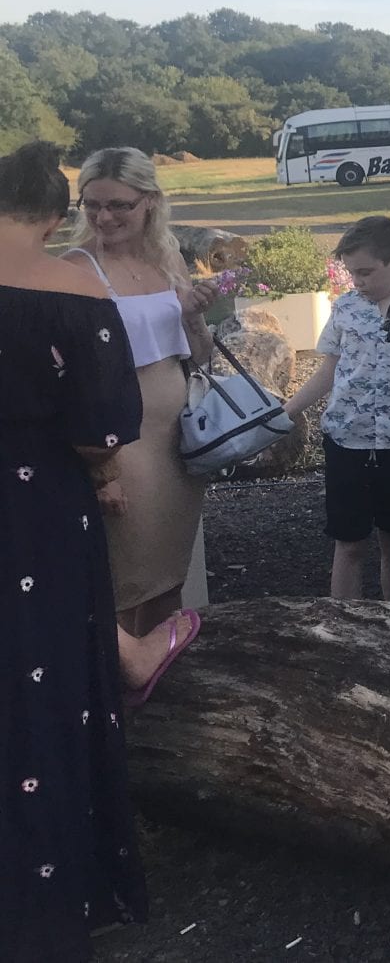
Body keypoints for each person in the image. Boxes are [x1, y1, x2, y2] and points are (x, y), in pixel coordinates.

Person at [1, 142, 199, 961]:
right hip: (36, 504)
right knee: (49, 681)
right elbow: (101, 421)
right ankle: (54, 892)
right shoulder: (72, 286)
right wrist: (104, 466)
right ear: (56, 212)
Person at [64, 147, 216, 638]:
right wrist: (100, 467)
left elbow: (199, 355)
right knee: (125, 580)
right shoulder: (76, 268)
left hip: (177, 436)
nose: (104, 217)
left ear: (149, 201)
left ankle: (163, 683)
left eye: (119, 205)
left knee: (169, 575)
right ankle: (121, 696)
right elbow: (69, 378)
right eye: (92, 205)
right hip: (123, 439)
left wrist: (193, 314)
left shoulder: (167, 257)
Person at [282, 216, 390, 602]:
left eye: (367, 272)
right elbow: (329, 369)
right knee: (348, 543)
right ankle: (343, 631)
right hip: (346, 440)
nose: (358, 282)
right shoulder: (346, 307)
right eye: (352, 273)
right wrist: (287, 412)